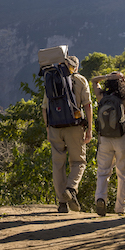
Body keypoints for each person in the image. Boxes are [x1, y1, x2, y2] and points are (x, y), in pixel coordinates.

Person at [42, 55, 92, 213]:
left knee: (58, 165)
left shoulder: (52, 78)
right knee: (79, 162)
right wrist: (89, 128)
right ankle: (71, 188)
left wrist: (48, 127)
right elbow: (88, 105)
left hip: (55, 127)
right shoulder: (81, 80)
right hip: (74, 127)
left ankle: (62, 203)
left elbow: (44, 107)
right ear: (75, 67)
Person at [91, 71, 125, 216]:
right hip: (122, 138)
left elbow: (93, 81)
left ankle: (100, 198)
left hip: (104, 138)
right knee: (124, 174)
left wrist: (107, 77)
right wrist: (123, 80)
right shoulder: (124, 98)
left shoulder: (102, 97)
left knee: (103, 171)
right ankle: (121, 208)